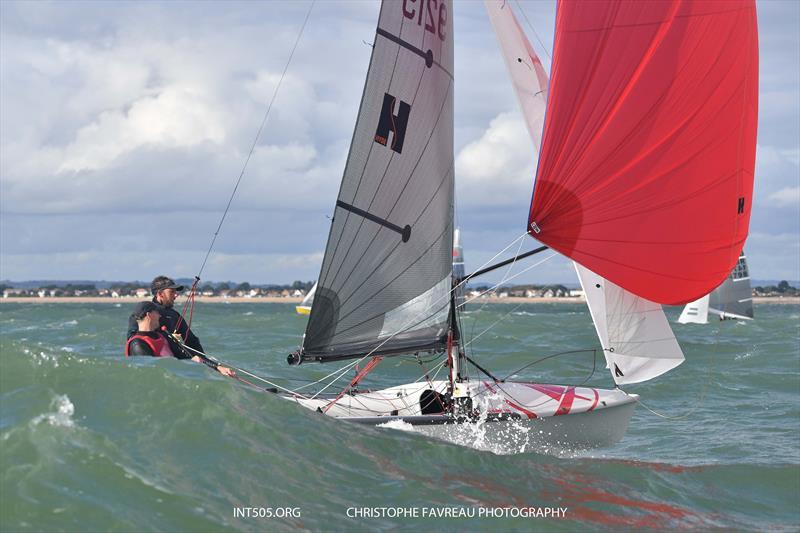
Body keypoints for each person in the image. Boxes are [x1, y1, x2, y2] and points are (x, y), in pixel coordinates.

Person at [126, 301, 235, 376]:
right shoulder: (138, 344)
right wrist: (186, 365)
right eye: (157, 312)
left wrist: (218, 367)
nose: (160, 316)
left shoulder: (161, 336)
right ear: (149, 315)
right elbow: (152, 375)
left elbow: (185, 356)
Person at [127, 275, 203, 355]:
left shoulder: (174, 315)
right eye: (172, 292)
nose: (176, 295)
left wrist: (205, 360)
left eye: (175, 292)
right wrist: (169, 338)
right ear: (160, 294)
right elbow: (133, 337)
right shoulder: (144, 311)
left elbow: (192, 341)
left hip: (178, 360)